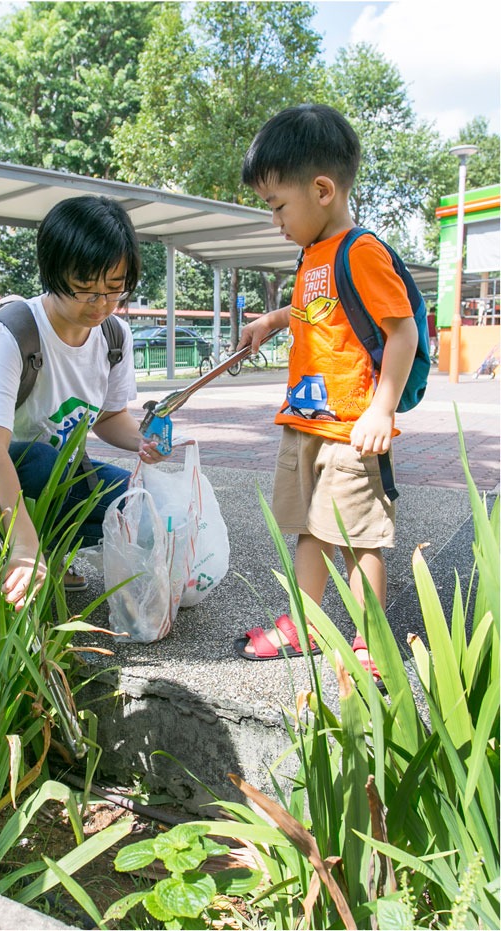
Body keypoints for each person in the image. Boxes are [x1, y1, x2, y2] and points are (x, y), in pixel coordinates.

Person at [233, 104, 418, 685]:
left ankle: (372, 642)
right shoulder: (313, 254)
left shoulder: (361, 251)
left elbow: (402, 329)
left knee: (358, 538)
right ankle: (306, 624)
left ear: (321, 190)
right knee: (310, 527)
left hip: (351, 426)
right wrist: (273, 319)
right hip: (307, 420)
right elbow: (316, 309)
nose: (275, 221)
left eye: (277, 205)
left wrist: (382, 409)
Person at [0, 195, 165, 611]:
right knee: (40, 459)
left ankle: (50, 553)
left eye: (114, 289)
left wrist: (143, 441)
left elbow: (109, 418)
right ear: (53, 272)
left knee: (138, 503)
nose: (101, 305)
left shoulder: (113, 335)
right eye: (85, 289)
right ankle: (13, 550)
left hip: (52, 476)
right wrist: (22, 543)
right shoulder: (14, 331)